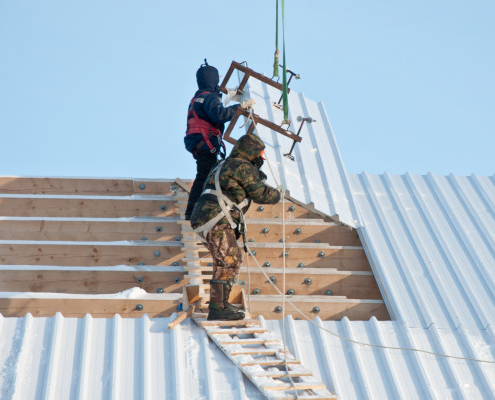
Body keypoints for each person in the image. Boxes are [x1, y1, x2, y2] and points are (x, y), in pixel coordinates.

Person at [190, 133, 281, 320]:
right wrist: (279, 194)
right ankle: (218, 308)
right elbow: (261, 194)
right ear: (251, 152)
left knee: (224, 261)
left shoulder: (224, 164)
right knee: (230, 260)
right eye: (260, 154)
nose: (261, 158)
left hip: (205, 216)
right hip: (216, 217)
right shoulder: (242, 166)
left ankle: (220, 305)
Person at [184, 60, 240, 220]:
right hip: (205, 144)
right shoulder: (210, 98)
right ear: (214, 81)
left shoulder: (198, 97)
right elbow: (219, 115)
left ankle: (199, 209)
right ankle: (194, 211)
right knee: (205, 176)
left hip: (198, 142)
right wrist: (238, 109)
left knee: (206, 175)